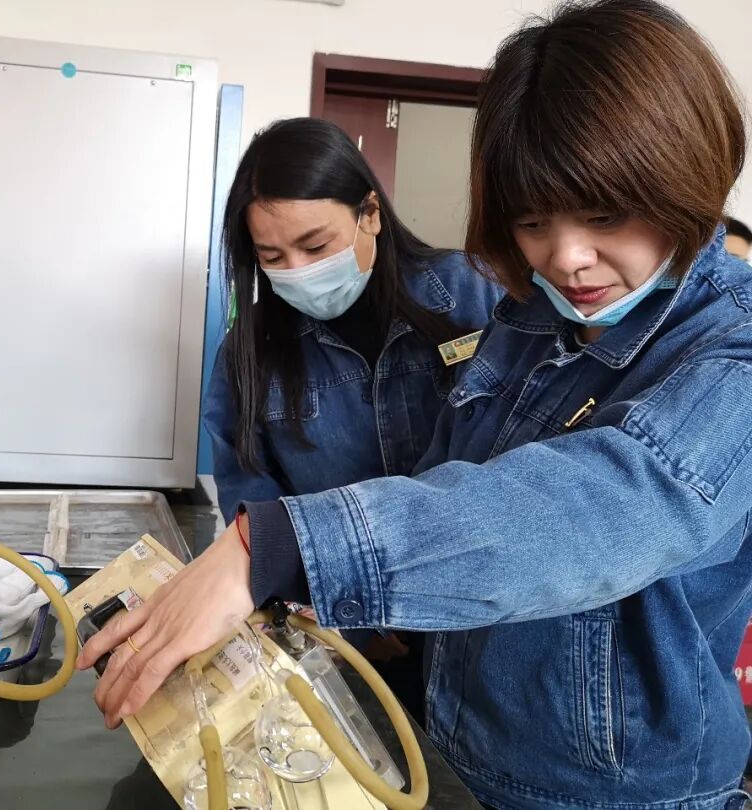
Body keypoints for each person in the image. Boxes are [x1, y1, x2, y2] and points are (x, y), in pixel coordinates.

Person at [79, 1, 752, 808]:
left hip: (610, 789)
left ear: (686, 170)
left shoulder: (733, 350)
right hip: (455, 740)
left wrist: (285, 548)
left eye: (605, 215)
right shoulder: (530, 319)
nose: (568, 258)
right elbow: (445, 474)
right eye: (533, 222)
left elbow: (592, 510)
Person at [200, 117, 503, 718]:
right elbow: (250, 497)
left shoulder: (476, 295)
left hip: (486, 627)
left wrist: (410, 592)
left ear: (371, 213)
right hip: (355, 642)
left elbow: (522, 459)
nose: (297, 270)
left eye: (315, 247)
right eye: (272, 256)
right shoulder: (251, 352)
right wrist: (337, 610)